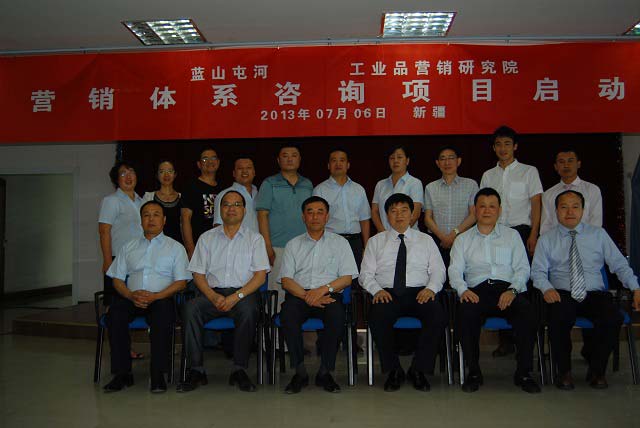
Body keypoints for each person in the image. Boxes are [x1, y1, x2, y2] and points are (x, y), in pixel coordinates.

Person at [532, 190, 640, 390]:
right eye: (564, 207)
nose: (570, 212)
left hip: (594, 294)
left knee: (612, 318)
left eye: (575, 207)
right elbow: (537, 272)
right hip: (562, 293)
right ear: (556, 211)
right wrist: (546, 288)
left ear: (583, 210)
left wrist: (635, 287)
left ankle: (597, 371)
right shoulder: (546, 239)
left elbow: (619, 265)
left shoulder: (598, 235)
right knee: (558, 318)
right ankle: (564, 372)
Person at [449, 187, 541, 394]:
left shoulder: (512, 235)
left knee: (527, 313)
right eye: (482, 206)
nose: (487, 210)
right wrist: (463, 290)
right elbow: (454, 270)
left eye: (492, 206)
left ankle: (524, 373)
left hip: (507, 290)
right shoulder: (463, 239)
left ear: (499, 210)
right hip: (476, 291)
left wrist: (513, 290)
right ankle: (474, 372)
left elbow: (522, 268)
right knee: (465, 313)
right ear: (474, 210)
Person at [178, 191, 270, 393]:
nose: (231, 209)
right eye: (227, 204)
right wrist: (212, 296)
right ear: (220, 210)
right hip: (212, 294)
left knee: (249, 311)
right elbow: (198, 274)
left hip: (243, 294)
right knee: (190, 309)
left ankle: (239, 369)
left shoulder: (255, 239)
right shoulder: (206, 238)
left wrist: (236, 297)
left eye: (237, 204)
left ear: (244, 210)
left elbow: (260, 277)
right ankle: (196, 370)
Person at [360, 193, 447, 392]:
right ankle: (394, 370)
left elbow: (438, 270)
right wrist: (376, 290)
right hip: (387, 293)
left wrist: (430, 289)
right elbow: (365, 274)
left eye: (404, 210)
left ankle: (419, 369)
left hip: (420, 292)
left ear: (412, 214)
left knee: (437, 315)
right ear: (387, 215)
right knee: (377, 316)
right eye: (394, 211)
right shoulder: (375, 241)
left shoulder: (426, 240)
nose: (399, 215)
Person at [103, 201, 191, 393]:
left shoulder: (175, 248)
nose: (151, 219)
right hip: (132, 298)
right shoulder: (129, 247)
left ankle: (158, 374)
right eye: (146, 215)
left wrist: (156, 296)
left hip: (161, 298)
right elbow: (117, 279)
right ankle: (122, 374)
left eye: (156, 215)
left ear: (164, 220)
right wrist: (130, 294)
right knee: (115, 315)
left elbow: (181, 283)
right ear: (141, 220)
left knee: (162, 316)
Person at [279, 196, 358, 394]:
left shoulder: (340, 243)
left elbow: (347, 278)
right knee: (288, 315)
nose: (315, 216)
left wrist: (321, 291)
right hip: (299, 295)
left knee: (337, 315)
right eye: (310, 212)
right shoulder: (293, 244)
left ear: (327, 216)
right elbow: (286, 280)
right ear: (303, 217)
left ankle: (325, 372)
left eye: (319, 212)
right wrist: (308, 296)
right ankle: (300, 372)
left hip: (329, 295)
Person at [480, 126, 543, 357]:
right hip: (496, 233)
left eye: (507, 143)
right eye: (498, 144)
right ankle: (505, 341)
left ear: (515, 146)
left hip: (522, 232)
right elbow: (483, 207)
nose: (503, 148)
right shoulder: (488, 175)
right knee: (499, 281)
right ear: (493, 148)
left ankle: (523, 341)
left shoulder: (529, 172)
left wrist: (534, 234)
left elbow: (536, 205)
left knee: (521, 285)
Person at [255, 144, 313, 306]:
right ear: (278, 160)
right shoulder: (269, 183)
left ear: (299, 160)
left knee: (302, 288)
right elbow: (262, 215)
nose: (289, 159)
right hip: (278, 247)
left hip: (304, 246)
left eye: (294, 155)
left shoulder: (307, 184)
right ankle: (275, 321)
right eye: (285, 155)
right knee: (278, 291)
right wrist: (267, 246)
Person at [313, 148, 371, 271]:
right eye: (334, 160)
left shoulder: (358, 189)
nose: (338, 164)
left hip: (355, 242)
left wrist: (366, 246)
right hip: (331, 241)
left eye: (342, 160)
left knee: (355, 277)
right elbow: (316, 221)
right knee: (331, 276)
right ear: (328, 165)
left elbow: (364, 219)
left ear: (348, 165)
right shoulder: (320, 190)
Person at [424, 146, 478, 268]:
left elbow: (474, 215)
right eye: (443, 159)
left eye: (451, 158)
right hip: (438, 242)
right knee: (438, 276)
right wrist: (443, 237)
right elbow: (427, 218)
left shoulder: (471, 185)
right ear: (437, 163)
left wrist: (453, 234)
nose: (447, 162)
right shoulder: (430, 187)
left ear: (458, 161)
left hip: (464, 241)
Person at [98, 161, 144, 306]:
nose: (128, 177)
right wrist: (107, 261)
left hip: (140, 259)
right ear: (117, 179)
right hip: (118, 259)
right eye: (123, 173)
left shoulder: (142, 201)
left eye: (131, 172)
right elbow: (104, 231)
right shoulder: (111, 201)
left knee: (136, 301)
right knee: (116, 304)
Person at [540, 148, 602, 235]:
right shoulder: (548, 194)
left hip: (586, 239)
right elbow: (545, 225)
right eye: (561, 162)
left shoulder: (592, 190)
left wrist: (587, 240)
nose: (566, 165)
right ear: (556, 167)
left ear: (578, 164)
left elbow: (596, 221)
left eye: (570, 161)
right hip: (557, 241)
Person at [181, 147, 223, 259]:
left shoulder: (224, 188)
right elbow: (185, 219)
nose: (210, 161)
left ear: (218, 162)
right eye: (205, 159)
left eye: (213, 158)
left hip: (221, 247)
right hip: (199, 247)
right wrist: (191, 249)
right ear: (199, 164)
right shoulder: (191, 187)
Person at [371, 146, 423, 233]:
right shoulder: (380, 184)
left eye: (399, 157)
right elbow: (374, 212)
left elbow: (415, 213)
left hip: (407, 235)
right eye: (392, 158)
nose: (395, 161)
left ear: (407, 161)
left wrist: (398, 234)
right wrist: (384, 233)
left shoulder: (415, 183)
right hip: (384, 235)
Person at [213, 156, 259, 232]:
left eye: (248, 168)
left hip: (258, 239)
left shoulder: (260, 194)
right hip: (235, 239)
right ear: (234, 173)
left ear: (254, 172)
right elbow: (218, 227)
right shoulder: (224, 195)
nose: (244, 171)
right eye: (240, 168)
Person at [143, 160, 183, 243]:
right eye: (162, 171)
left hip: (178, 244)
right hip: (154, 244)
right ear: (157, 175)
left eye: (170, 171)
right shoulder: (148, 197)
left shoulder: (183, 197)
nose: (166, 175)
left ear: (175, 174)